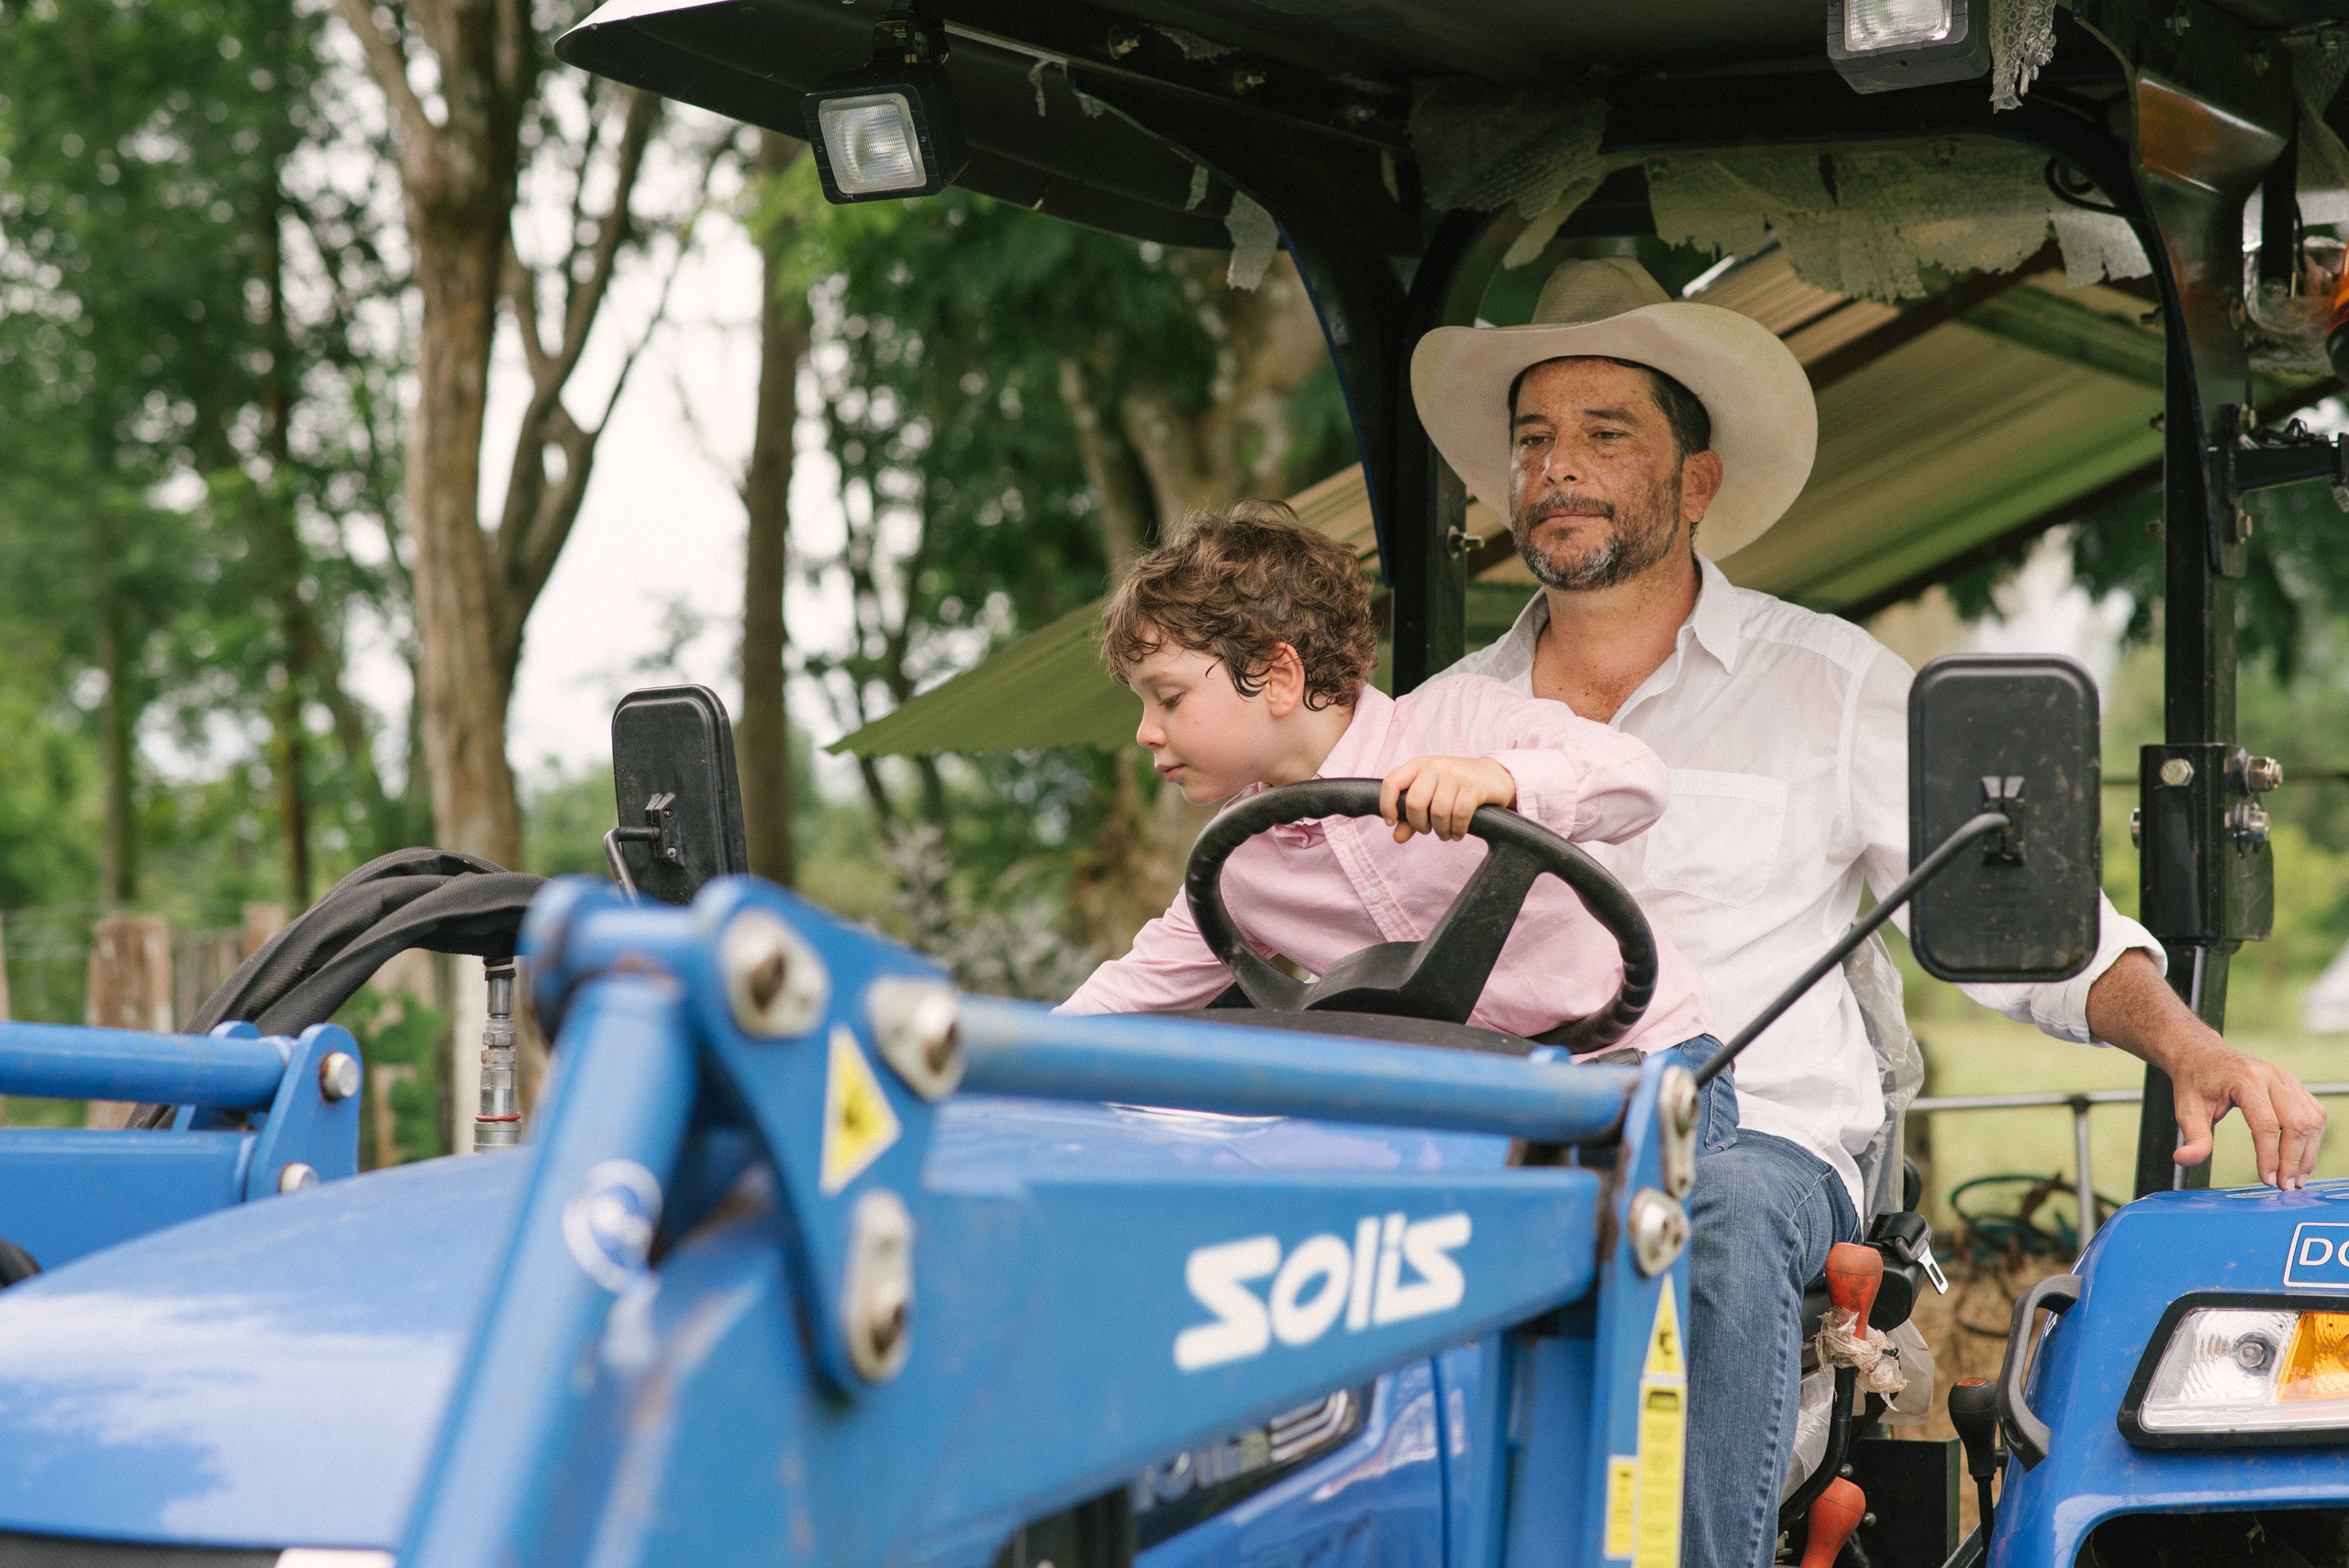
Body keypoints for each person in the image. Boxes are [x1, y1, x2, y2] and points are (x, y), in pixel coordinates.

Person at [1409, 255, 2332, 1568]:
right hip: (1520, 1136)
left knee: (1712, 1219)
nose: (1558, 465)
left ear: (1696, 481)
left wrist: (2194, 1047)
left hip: (1759, 1149)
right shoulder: (1447, 714)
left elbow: (2030, 920)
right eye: (1533, 437)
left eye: (1605, 432)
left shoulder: (1824, 683)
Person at [1057, 501, 1720, 1069]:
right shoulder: (1240, 867)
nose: (1145, 732)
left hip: (1643, 1061)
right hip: (1479, 1105)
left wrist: (1500, 779)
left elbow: (1638, 778)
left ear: (1279, 677)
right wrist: (1011, 1056)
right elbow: (1132, 991)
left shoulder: (1461, 721)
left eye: (1166, 699)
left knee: (1709, 1208)